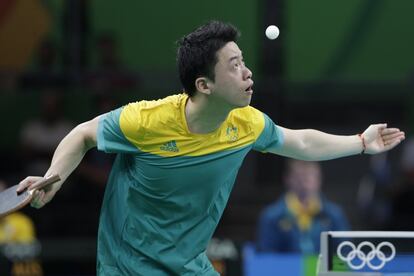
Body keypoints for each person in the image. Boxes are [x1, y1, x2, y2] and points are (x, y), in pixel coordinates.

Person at [16, 21, 405, 275]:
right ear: (204, 85)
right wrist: (56, 177)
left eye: (244, 62)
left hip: (189, 265)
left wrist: (360, 143)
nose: (247, 72)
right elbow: (83, 133)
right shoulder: (147, 121)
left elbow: (299, 140)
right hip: (128, 266)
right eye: (234, 65)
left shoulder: (245, 123)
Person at [256, 159, 349, 254]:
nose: (304, 182)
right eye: (298, 177)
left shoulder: (334, 215)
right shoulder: (271, 216)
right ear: (287, 179)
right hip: (285, 268)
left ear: (319, 179)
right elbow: (266, 258)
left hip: (323, 268)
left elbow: (345, 255)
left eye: (309, 176)